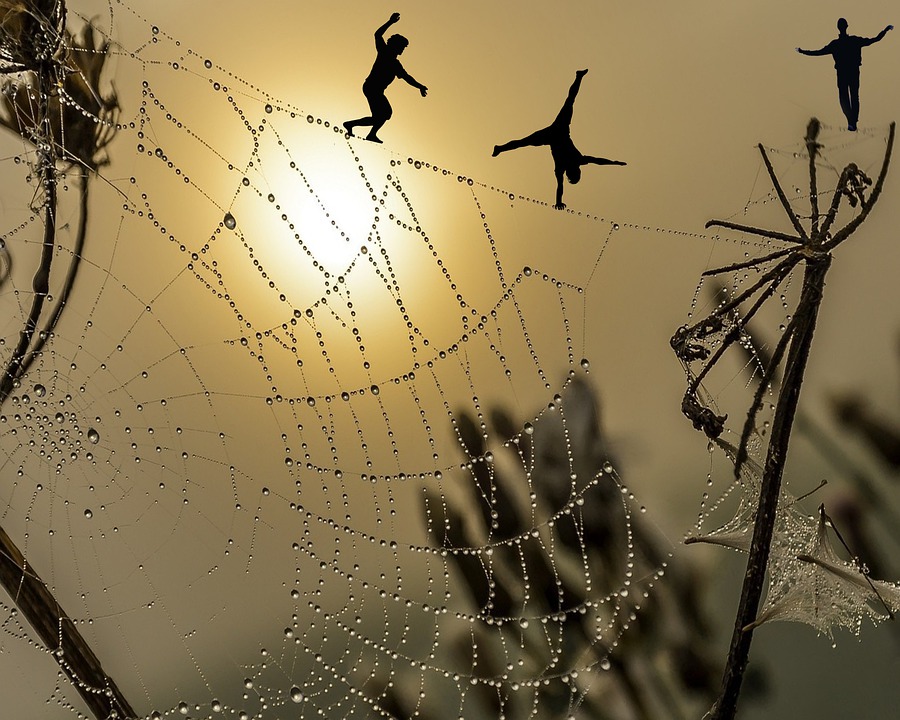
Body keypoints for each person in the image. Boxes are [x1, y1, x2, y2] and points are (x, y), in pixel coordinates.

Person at [492, 69, 625, 210]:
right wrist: (614, 163)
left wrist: (558, 202)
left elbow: (561, 186)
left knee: (523, 142)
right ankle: (579, 77)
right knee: (569, 102)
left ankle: (500, 148)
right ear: (576, 171)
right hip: (559, 129)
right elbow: (598, 161)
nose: (574, 169)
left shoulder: (567, 166)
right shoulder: (575, 162)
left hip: (553, 133)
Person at [344, 12, 428, 143]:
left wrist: (420, 87)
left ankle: (354, 126)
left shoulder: (396, 64)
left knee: (382, 115)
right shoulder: (384, 52)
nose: (402, 50)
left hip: (375, 90)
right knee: (384, 114)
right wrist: (390, 22)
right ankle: (363, 130)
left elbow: (407, 77)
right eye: (402, 47)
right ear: (395, 45)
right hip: (371, 88)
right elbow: (377, 34)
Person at [797, 19, 893, 131]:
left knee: (845, 98)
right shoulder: (853, 41)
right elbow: (875, 39)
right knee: (853, 97)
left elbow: (818, 52)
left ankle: (851, 121)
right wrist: (885, 30)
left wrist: (803, 51)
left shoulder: (837, 44)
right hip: (851, 72)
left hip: (843, 73)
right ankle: (852, 122)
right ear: (847, 26)